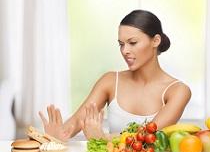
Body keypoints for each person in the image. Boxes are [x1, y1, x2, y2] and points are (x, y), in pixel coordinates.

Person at [39, 10, 191, 141]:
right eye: (121, 44)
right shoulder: (110, 81)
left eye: (132, 42)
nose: (125, 50)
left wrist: (104, 138)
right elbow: (77, 121)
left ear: (155, 41)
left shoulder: (178, 91)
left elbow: (149, 136)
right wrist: (59, 134)